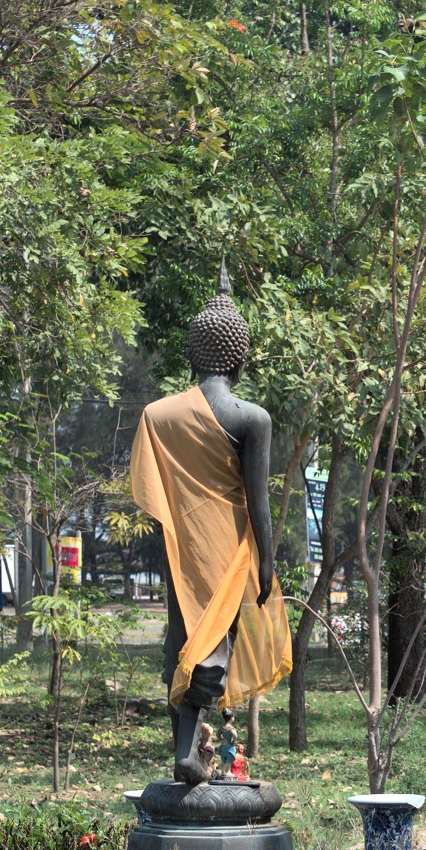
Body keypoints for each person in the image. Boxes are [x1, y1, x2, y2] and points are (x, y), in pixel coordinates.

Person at [129, 261, 291, 784]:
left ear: (193, 355)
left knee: (184, 641)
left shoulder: (159, 415)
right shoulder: (252, 418)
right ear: (239, 357)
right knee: (213, 645)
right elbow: (258, 501)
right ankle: (188, 753)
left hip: (182, 549)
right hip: (230, 552)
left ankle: (189, 751)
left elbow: (153, 491)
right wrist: (267, 562)